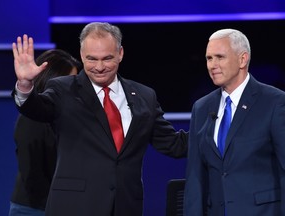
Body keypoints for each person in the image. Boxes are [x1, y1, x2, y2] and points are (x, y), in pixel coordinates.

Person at [11, 22, 188, 216]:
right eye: (92, 59)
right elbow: (35, 109)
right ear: (81, 55)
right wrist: (25, 85)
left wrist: (220, 127)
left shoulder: (145, 96)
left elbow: (173, 144)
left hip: (125, 206)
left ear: (120, 53)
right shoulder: (63, 90)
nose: (99, 67)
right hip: (73, 208)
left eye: (107, 58)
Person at [183, 28, 285, 216]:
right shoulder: (202, 108)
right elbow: (195, 178)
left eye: (220, 57)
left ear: (242, 59)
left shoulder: (275, 102)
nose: (212, 65)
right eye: (209, 58)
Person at [9, 49, 82, 216]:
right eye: (68, 82)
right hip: (34, 209)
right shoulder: (31, 119)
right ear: (51, 80)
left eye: (75, 82)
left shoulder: (71, 114)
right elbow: (32, 176)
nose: (73, 88)